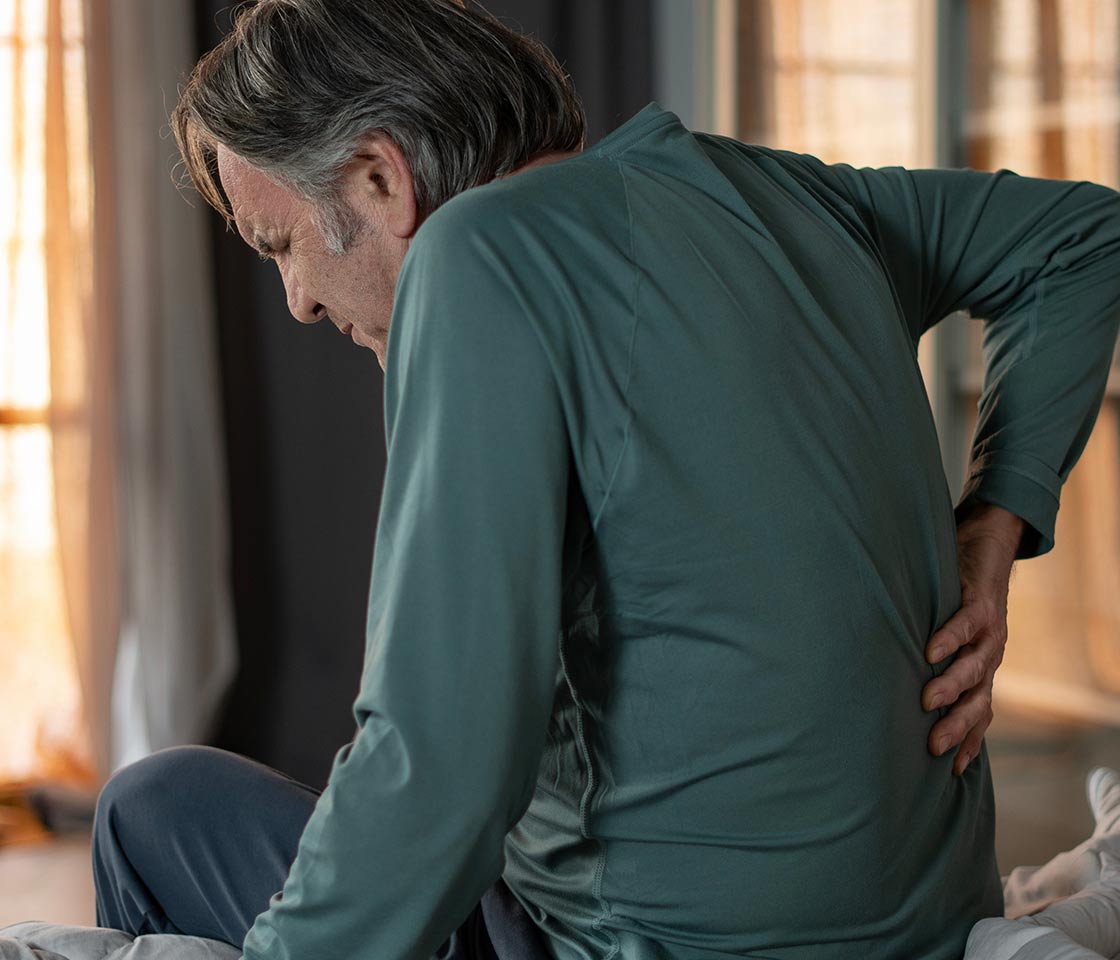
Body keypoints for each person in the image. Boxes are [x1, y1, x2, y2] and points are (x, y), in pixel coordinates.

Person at [93, 2, 1120, 959]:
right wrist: (995, 523)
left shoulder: (478, 254)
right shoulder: (798, 198)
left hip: (653, 943)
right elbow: (1084, 237)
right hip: (927, 923)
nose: (299, 303)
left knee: (151, 812)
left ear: (379, 180)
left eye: (283, 248)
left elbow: (439, 783)